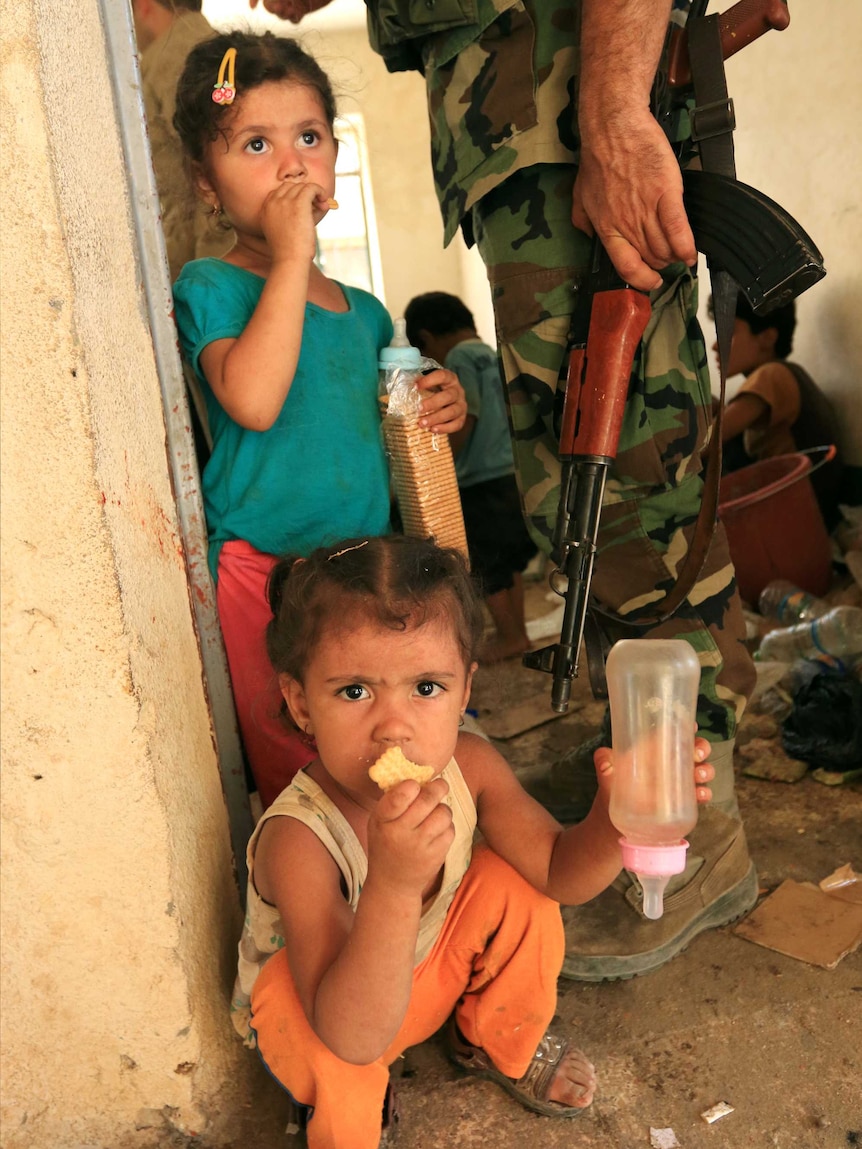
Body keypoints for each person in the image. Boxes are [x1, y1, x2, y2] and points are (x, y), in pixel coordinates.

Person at [247, 0, 760, 985]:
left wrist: (612, 114)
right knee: (569, 489)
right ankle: (635, 769)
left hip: (567, 106)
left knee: (632, 483)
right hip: (517, 128)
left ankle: (693, 825)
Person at [230, 533, 717, 1149]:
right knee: (332, 1055)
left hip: (425, 976)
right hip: (337, 1017)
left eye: (426, 688)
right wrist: (396, 882)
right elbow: (350, 1033)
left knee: (517, 884)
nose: (395, 727)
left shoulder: (471, 765)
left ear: (465, 690)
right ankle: (345, 1119)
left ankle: (495, 1036)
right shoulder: (298, 838)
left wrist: (619, 816)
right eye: (354, 691)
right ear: (301, 703)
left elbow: (557, 872)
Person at [171, 33, 467, 809]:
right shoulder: (210, 285)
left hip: (356, 578)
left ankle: (389, 893)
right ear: (207, 183)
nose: (291, 163)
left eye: (309, 137)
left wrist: (443, 405)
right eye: (256, 144)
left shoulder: (366, 313)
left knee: (367, 749)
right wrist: (293, 258)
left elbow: (394, 435)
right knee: (294, 766)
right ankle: (312, 908)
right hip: (259, 576)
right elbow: (254, 399)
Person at [404, 291, 538, 661]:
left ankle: (509, 635)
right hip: (509, 473)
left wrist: (442, 462)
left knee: (486, 562)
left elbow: (466, 417)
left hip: (477, 478)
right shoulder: (490, 353)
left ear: (426, 339)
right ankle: (520, 633)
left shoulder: (460, 358)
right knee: (507, 559)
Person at [713, 295, 844, 531]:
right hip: (812, 507)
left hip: (801, 512)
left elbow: (711, 441)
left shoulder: (771, 375)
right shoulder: (785, 373)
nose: (715, 345)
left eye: (728, 332)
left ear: (767, 338)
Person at [132, 0, 233, 282]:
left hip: (212, 258)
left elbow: (219, 165)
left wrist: (209, 278)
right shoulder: (194, 45)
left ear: (144, 6)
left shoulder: (179, 50)